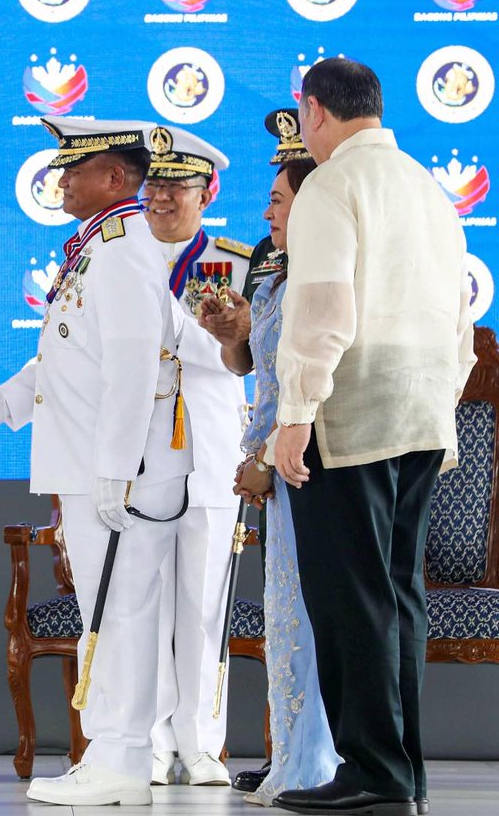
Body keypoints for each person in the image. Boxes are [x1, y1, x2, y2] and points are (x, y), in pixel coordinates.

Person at [268, 58, 474, 816]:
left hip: (350, 415)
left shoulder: (331, 186)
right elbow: (462, 317)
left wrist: (296, 413)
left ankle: (372, 770)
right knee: (397, 595)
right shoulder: (429, 188)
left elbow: (322, 309)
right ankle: (402, 771)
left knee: (350, 597)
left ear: (315, 112)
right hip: (423, 414)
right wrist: (441, 399)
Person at [0, 116, 193, 807]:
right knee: (111, 607)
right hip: (97, 464)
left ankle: (122, 760)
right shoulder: (99, 247)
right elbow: (69, 359)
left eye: (75, 169)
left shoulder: (122, 251)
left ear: (116, 177)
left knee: (122, 610)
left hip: (121, 471)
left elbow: (132, 366)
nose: (61, 180)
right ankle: (109, 752)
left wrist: (116, 470)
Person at [197, 108, 339, 807]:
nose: (266, 211)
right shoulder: (269, 258)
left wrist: (266, 456)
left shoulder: (331, 266)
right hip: (274, 462)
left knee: (311, 616)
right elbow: (252, 363)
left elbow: (312, 373)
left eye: (279, 198)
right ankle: (293, 755)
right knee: (286, 617)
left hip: (308, 459)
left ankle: (316, 762)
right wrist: (231, 332)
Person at [141, 125, 249, 787]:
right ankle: (153, 743)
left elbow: (236, 356)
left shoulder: (235, 263)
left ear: (206, 193)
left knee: (207, 605)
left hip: (210, 452)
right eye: (152, 184)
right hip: (142, 454)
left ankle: (203, 744)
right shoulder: (118, 257)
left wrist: (162, 320)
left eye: (176, 186)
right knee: (148, 607)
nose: (160, 197)